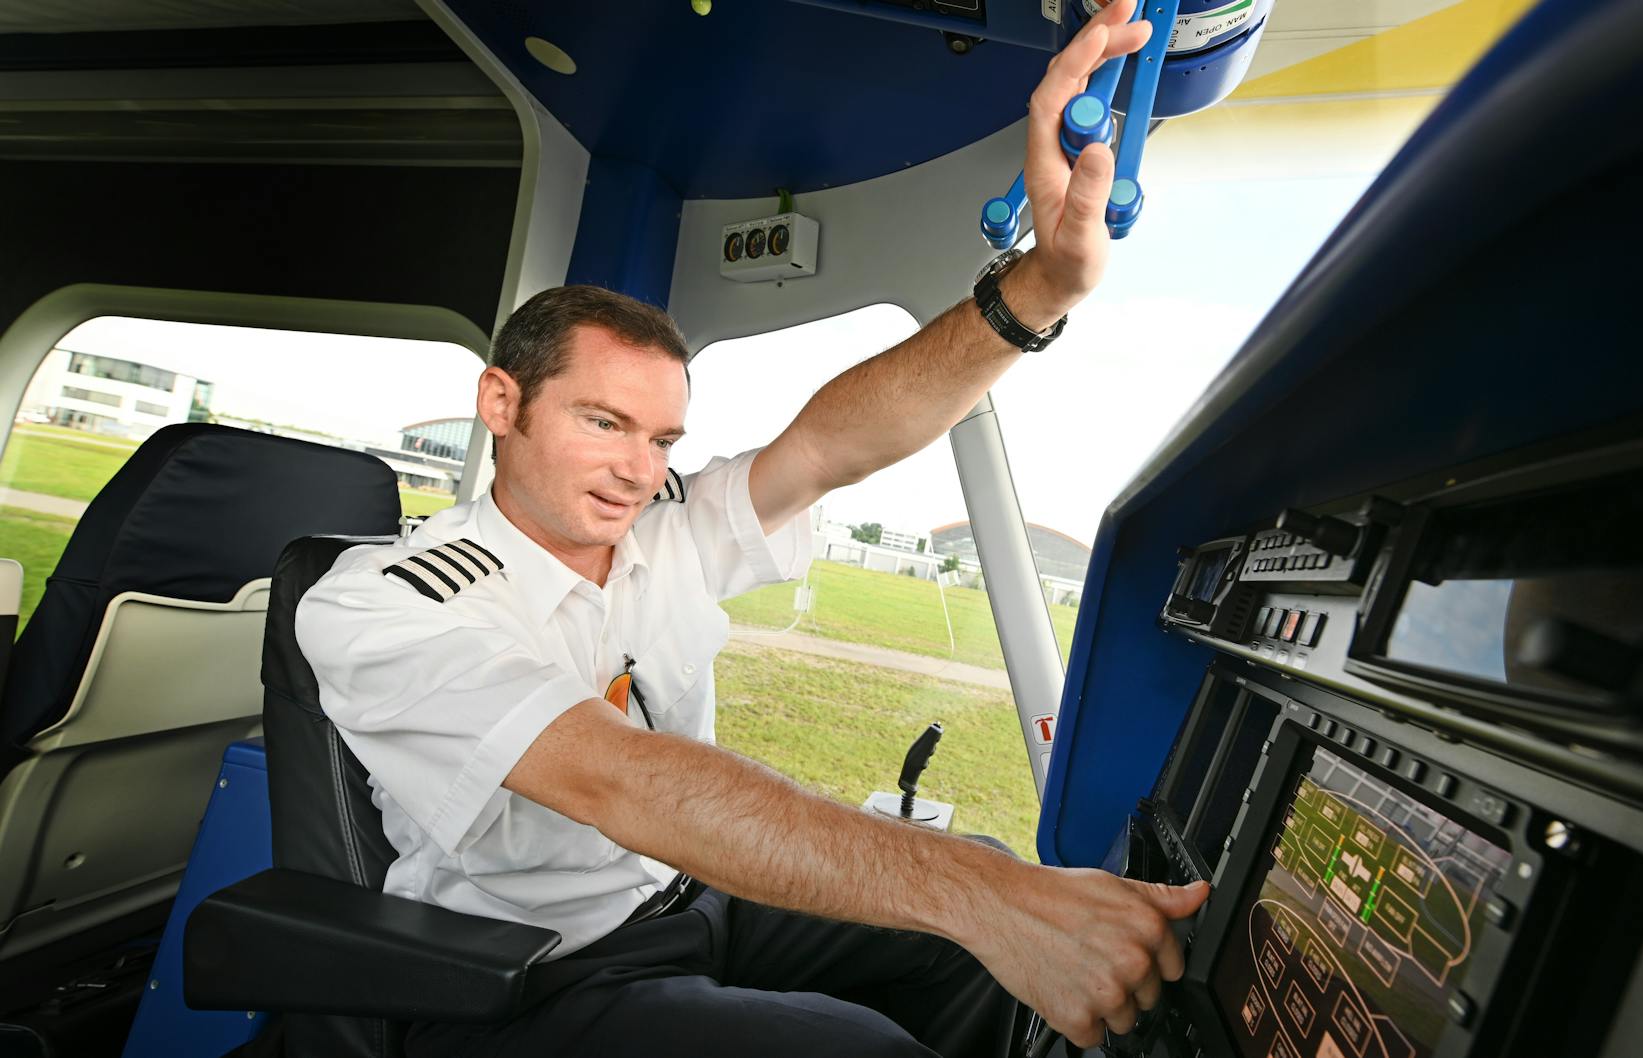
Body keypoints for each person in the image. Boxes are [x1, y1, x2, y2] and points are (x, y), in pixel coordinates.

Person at [296, 3, 1206, 1054]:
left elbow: (830, 443)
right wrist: (976, 887)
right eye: (603, 423)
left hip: (680, 908)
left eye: (661, 436)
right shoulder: (384, 602)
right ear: (502, 403)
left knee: (967, 948)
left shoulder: (659, 528)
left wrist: (1038, 288)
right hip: (519, 979)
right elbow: (620, 777)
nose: (640, 468)